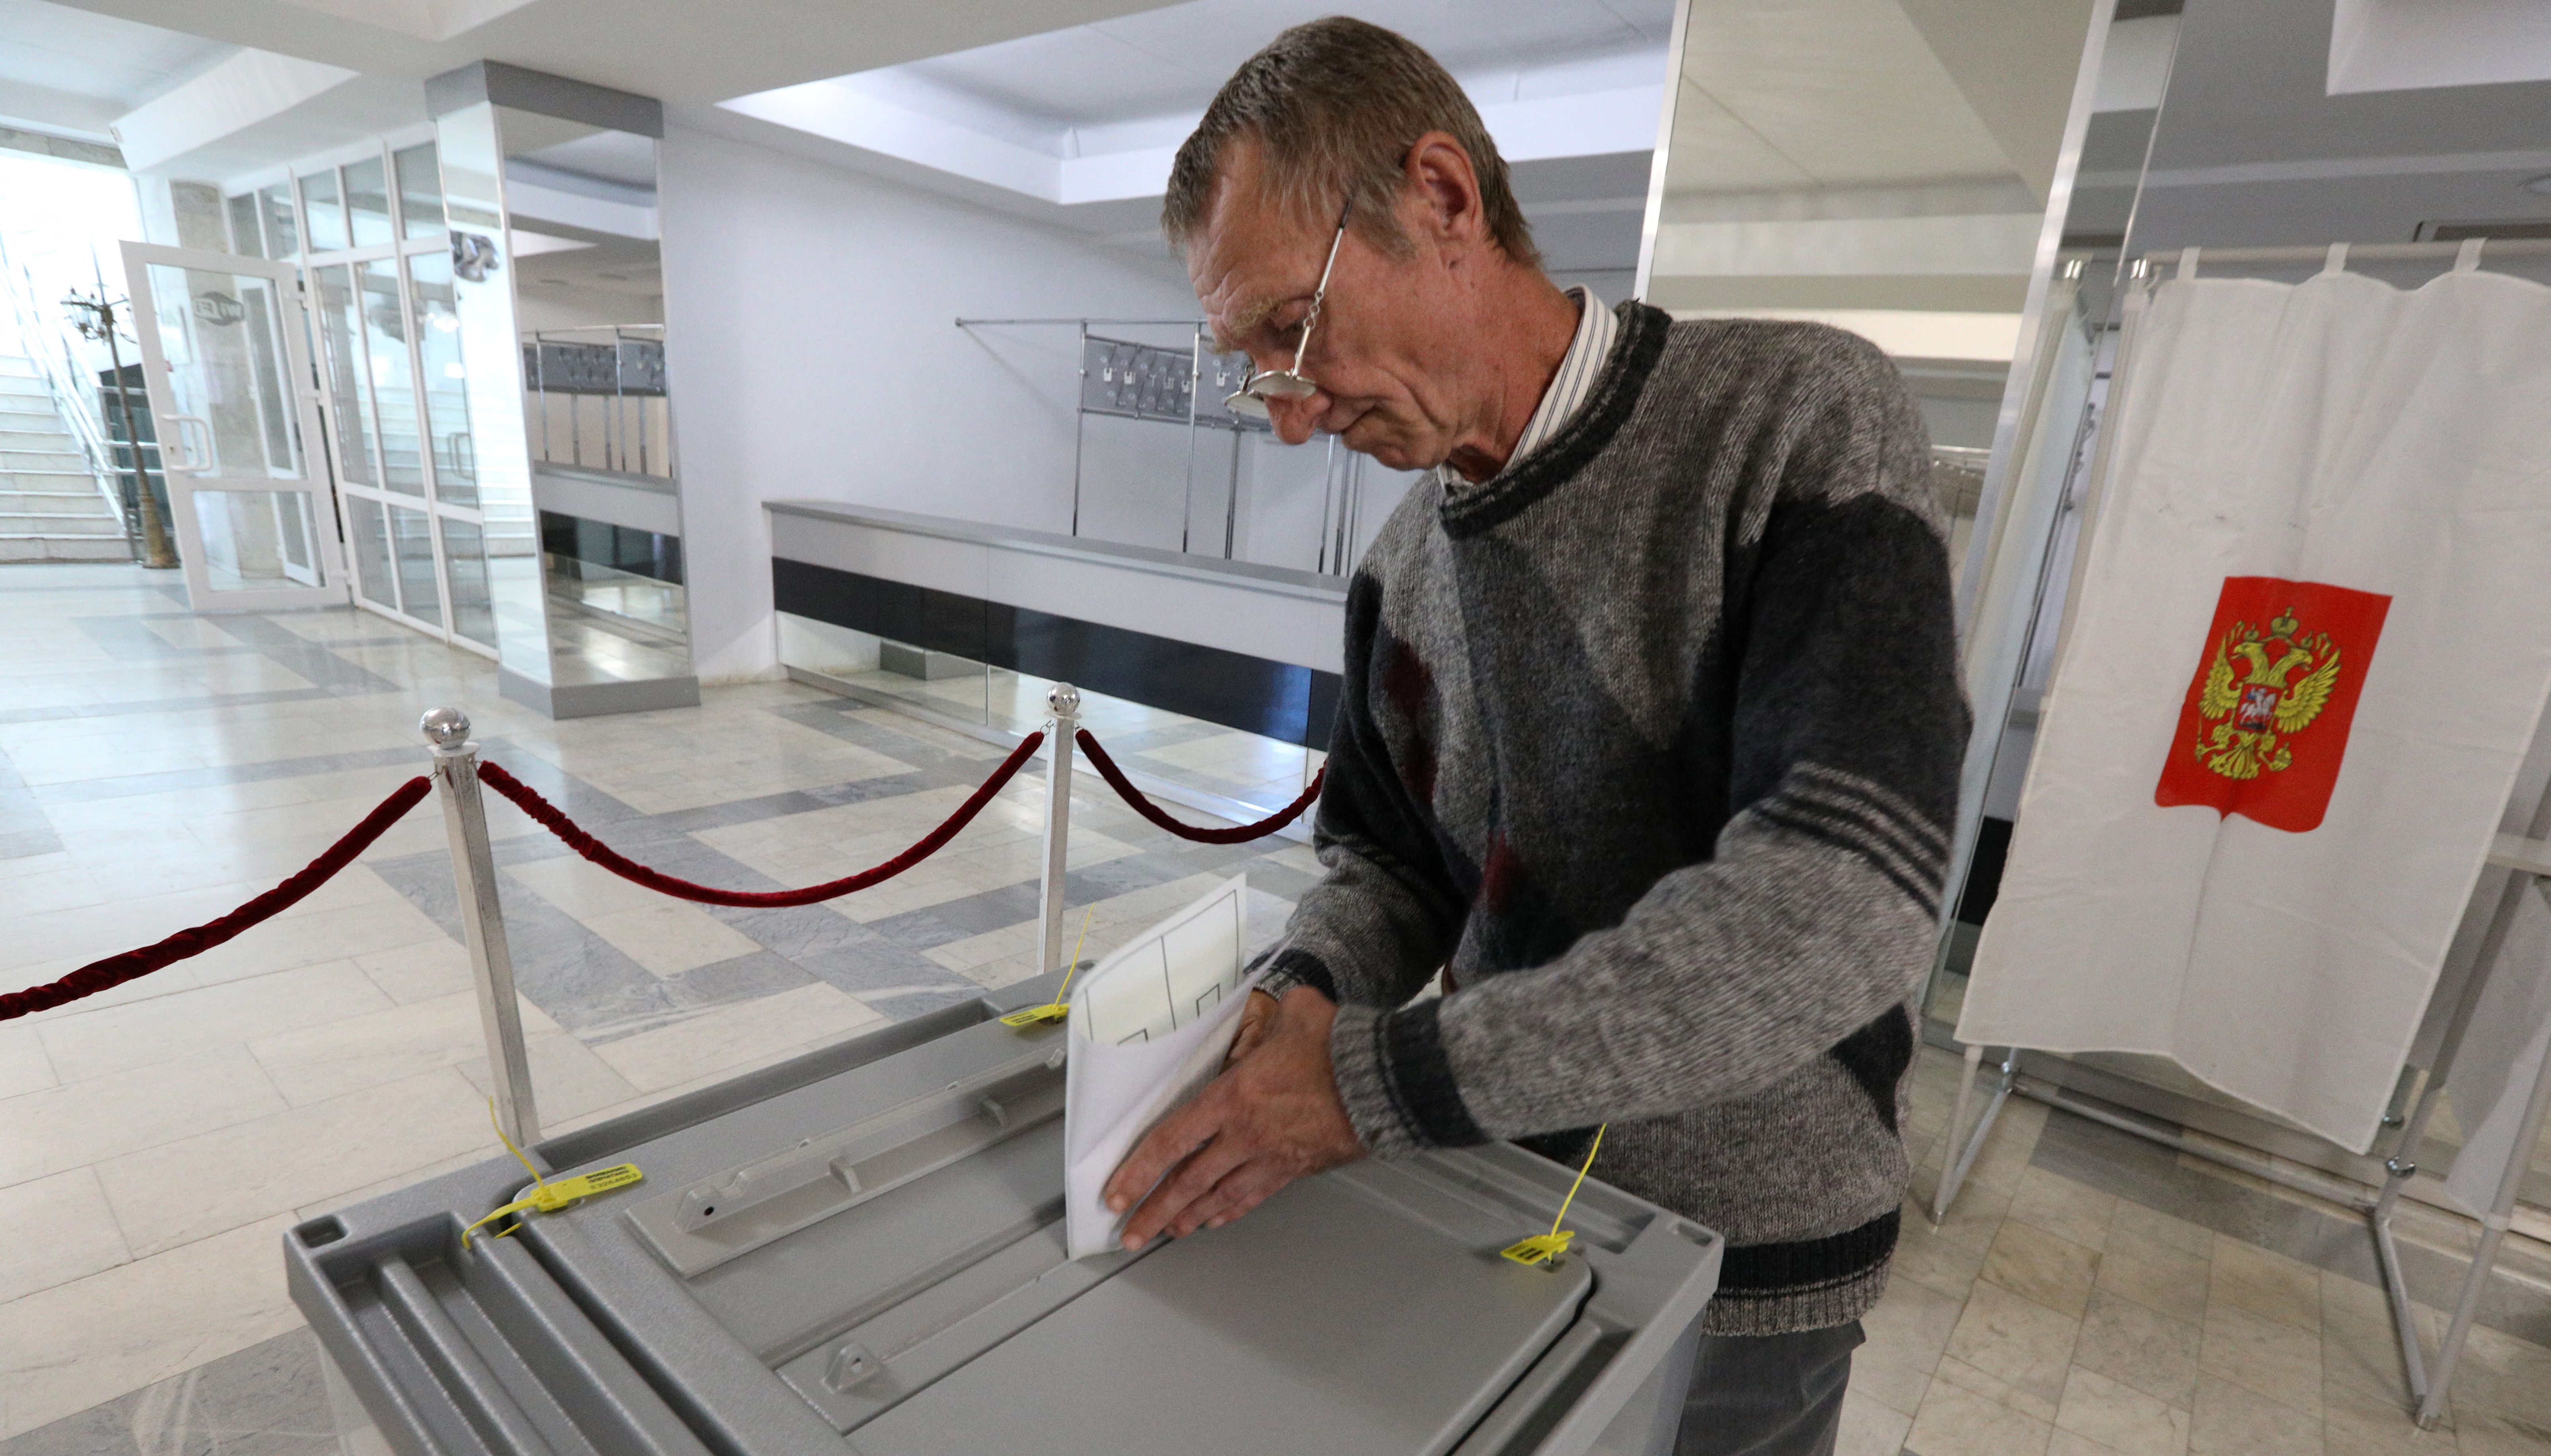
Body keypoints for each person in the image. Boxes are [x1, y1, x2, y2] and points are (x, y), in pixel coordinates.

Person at [1100, 18, 1969, 1454]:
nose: (1290, 417)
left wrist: (1371, 1084)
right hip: (1491, 1197)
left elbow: (1837, 906)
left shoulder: (1794, 419)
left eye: (1289, 331)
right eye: (1251, 362)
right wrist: (1306, 993)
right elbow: (1387, 860)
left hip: (1748, 1258)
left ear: (1440, 199)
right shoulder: (1401, 560)